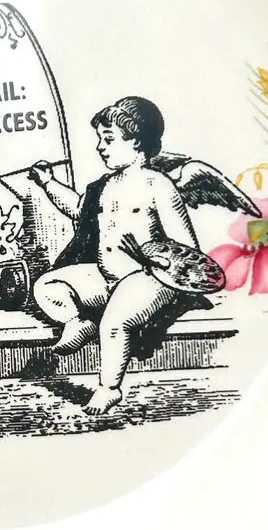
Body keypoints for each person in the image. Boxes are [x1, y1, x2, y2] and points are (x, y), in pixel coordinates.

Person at [29, 96, 201, 415]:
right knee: (47, 286)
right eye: (100, 139)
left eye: (108, 139)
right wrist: (48, 182)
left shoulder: (158, 186)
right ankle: (77, 322)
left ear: (136, 141)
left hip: (148, 279)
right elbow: (78, 210)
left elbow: (188, 249)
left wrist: (156, 259)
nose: (100, 147)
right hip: (107, 278)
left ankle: (109, 388)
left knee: (114, 323)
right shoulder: (103, 186)